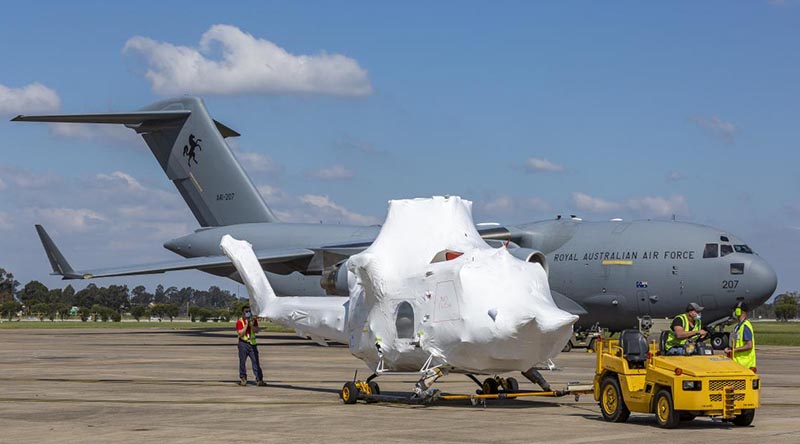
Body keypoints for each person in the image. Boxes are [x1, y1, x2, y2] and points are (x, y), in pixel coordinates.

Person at [236, 305, 266, 386]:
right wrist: (246, 325)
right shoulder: (240, 321)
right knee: (242, 362)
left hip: (252, 344)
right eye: (246, 311)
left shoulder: (254, 321)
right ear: (242, 313)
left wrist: (251, 325)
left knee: (256, 362)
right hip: (243, 343)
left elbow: (257, 330)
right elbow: (240, 333)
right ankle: (243, 378)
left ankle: (259, 379)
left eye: (249, 311)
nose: (248, 313)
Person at [726, 302, 756, 371]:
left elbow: (749, 345)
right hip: (738, 365)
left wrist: (734, 350)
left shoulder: (745, 326)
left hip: (745, 366)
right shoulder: (738, 326)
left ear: (739, 311)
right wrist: (729, 349)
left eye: (735, 310)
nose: (734, 312)